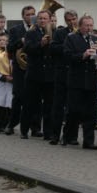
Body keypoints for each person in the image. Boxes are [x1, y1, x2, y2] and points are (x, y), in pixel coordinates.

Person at [62, 14, 97, 149]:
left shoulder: (96, 39)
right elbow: (67, 56)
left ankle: (88, 141)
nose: (89, 28)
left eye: (91, 25)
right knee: (73, 111)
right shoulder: (71, 38)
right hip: (76, 80)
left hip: (91, 80)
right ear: (80, 26)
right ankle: (68, 136)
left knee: (90, 112)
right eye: (86, 25)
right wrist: (83, 55)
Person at [21, 8, 56, 140]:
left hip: (49, 76)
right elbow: (27, 49)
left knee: (48, 106)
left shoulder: (54, 32)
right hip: (34, 75)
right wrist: (40, 44)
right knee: (30, 104)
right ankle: (24, 130)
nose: (42, 21)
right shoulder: (31, 33)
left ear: (49, 19)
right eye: (40, 18)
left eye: (45, 18)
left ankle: (48, 132)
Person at [5, 5, 36, 135]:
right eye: (28, 14)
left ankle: (35, 128)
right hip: (19, 69)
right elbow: (10, 48)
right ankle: (11, 124)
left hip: (34, 68)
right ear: (23, 16)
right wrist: (21, 41)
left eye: (32, 14)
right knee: (18, 97)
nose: (30, 17)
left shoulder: (39, 30)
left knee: (34, 99)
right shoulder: (15, 30)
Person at [50, 9, 78, 145]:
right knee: (58, 106)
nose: (72, 22)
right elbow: (53, 49)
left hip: (75, 75)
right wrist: (68, 43)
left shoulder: (83, 34)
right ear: (66, 21)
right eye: (69, 20)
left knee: (73, 108)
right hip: (61, 74)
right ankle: (55, 135)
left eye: (74, 19)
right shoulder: (60, 33)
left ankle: (71, 136)